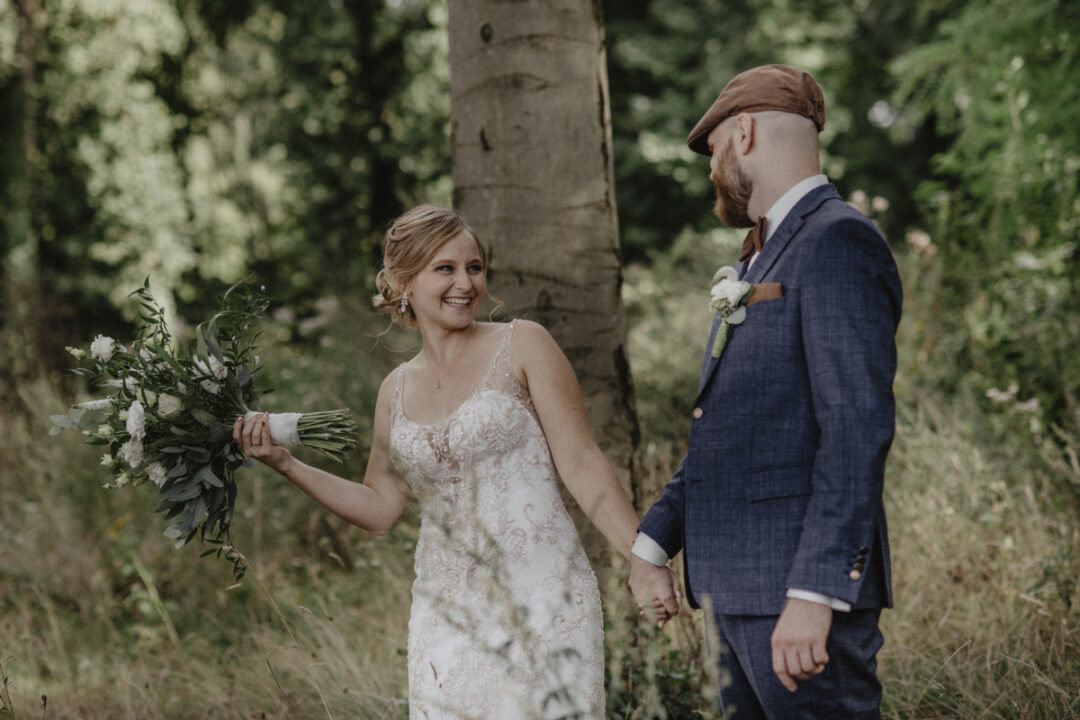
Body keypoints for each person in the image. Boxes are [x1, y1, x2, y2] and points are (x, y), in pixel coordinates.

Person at [234, 204, 641, 719]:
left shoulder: (524, 344)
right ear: (404, 281)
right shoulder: (394, 390)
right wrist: (286, 464)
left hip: (544, 599)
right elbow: (382, 508)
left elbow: (582, 461)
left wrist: (640, 559)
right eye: (444, 269)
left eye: (474, 267)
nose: (465, 283)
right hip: (444, 616)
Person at [628, 64, 903, 719]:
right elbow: (734, 428)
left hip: (797, 603)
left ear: (744, 133)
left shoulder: (836, 240)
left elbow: (856, 426)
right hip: (737, 593)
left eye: (715, 150)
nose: (712, 170)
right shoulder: (761, 258)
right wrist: (653, 543)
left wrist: (815, 592)